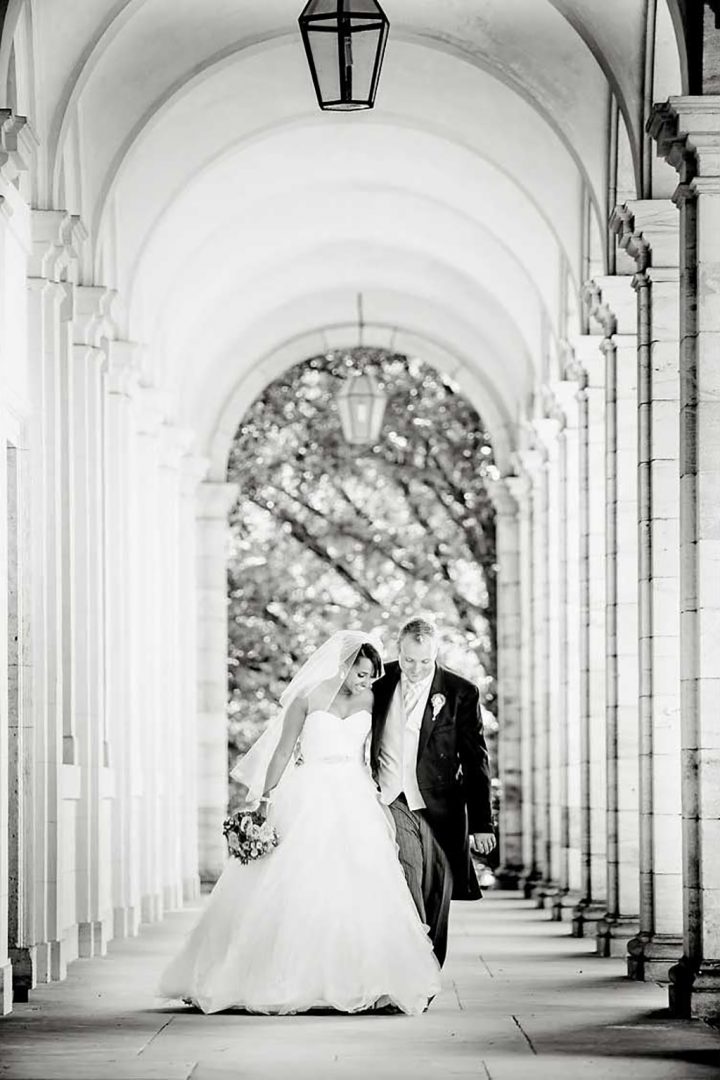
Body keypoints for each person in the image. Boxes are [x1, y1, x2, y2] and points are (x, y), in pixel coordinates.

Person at [158, 630, 441, 1016]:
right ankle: (257, 976)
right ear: (343, 665)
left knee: (359, 884)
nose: (366, 681)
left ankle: (366, 980)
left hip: (355, 795)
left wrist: (389, 795)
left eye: (371, 675)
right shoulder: (307, 697)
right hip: (307, 791)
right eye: (361, 673)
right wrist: (265, 799)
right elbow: (281, 752)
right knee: (286, 879)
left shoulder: (374, 700)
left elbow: (388, 751)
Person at [371, 618, 496, 966]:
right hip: (392, 797)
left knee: (437, 891)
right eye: (409, 660)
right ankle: (406, 965)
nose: (415, 669)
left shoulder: (460, 691)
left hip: (442, 807)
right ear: (399, 650)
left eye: (424, 662)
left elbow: (476, 761)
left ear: (435, 653)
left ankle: (427, 970)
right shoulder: (379, 683)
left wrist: (482, 823)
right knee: (409, 876)